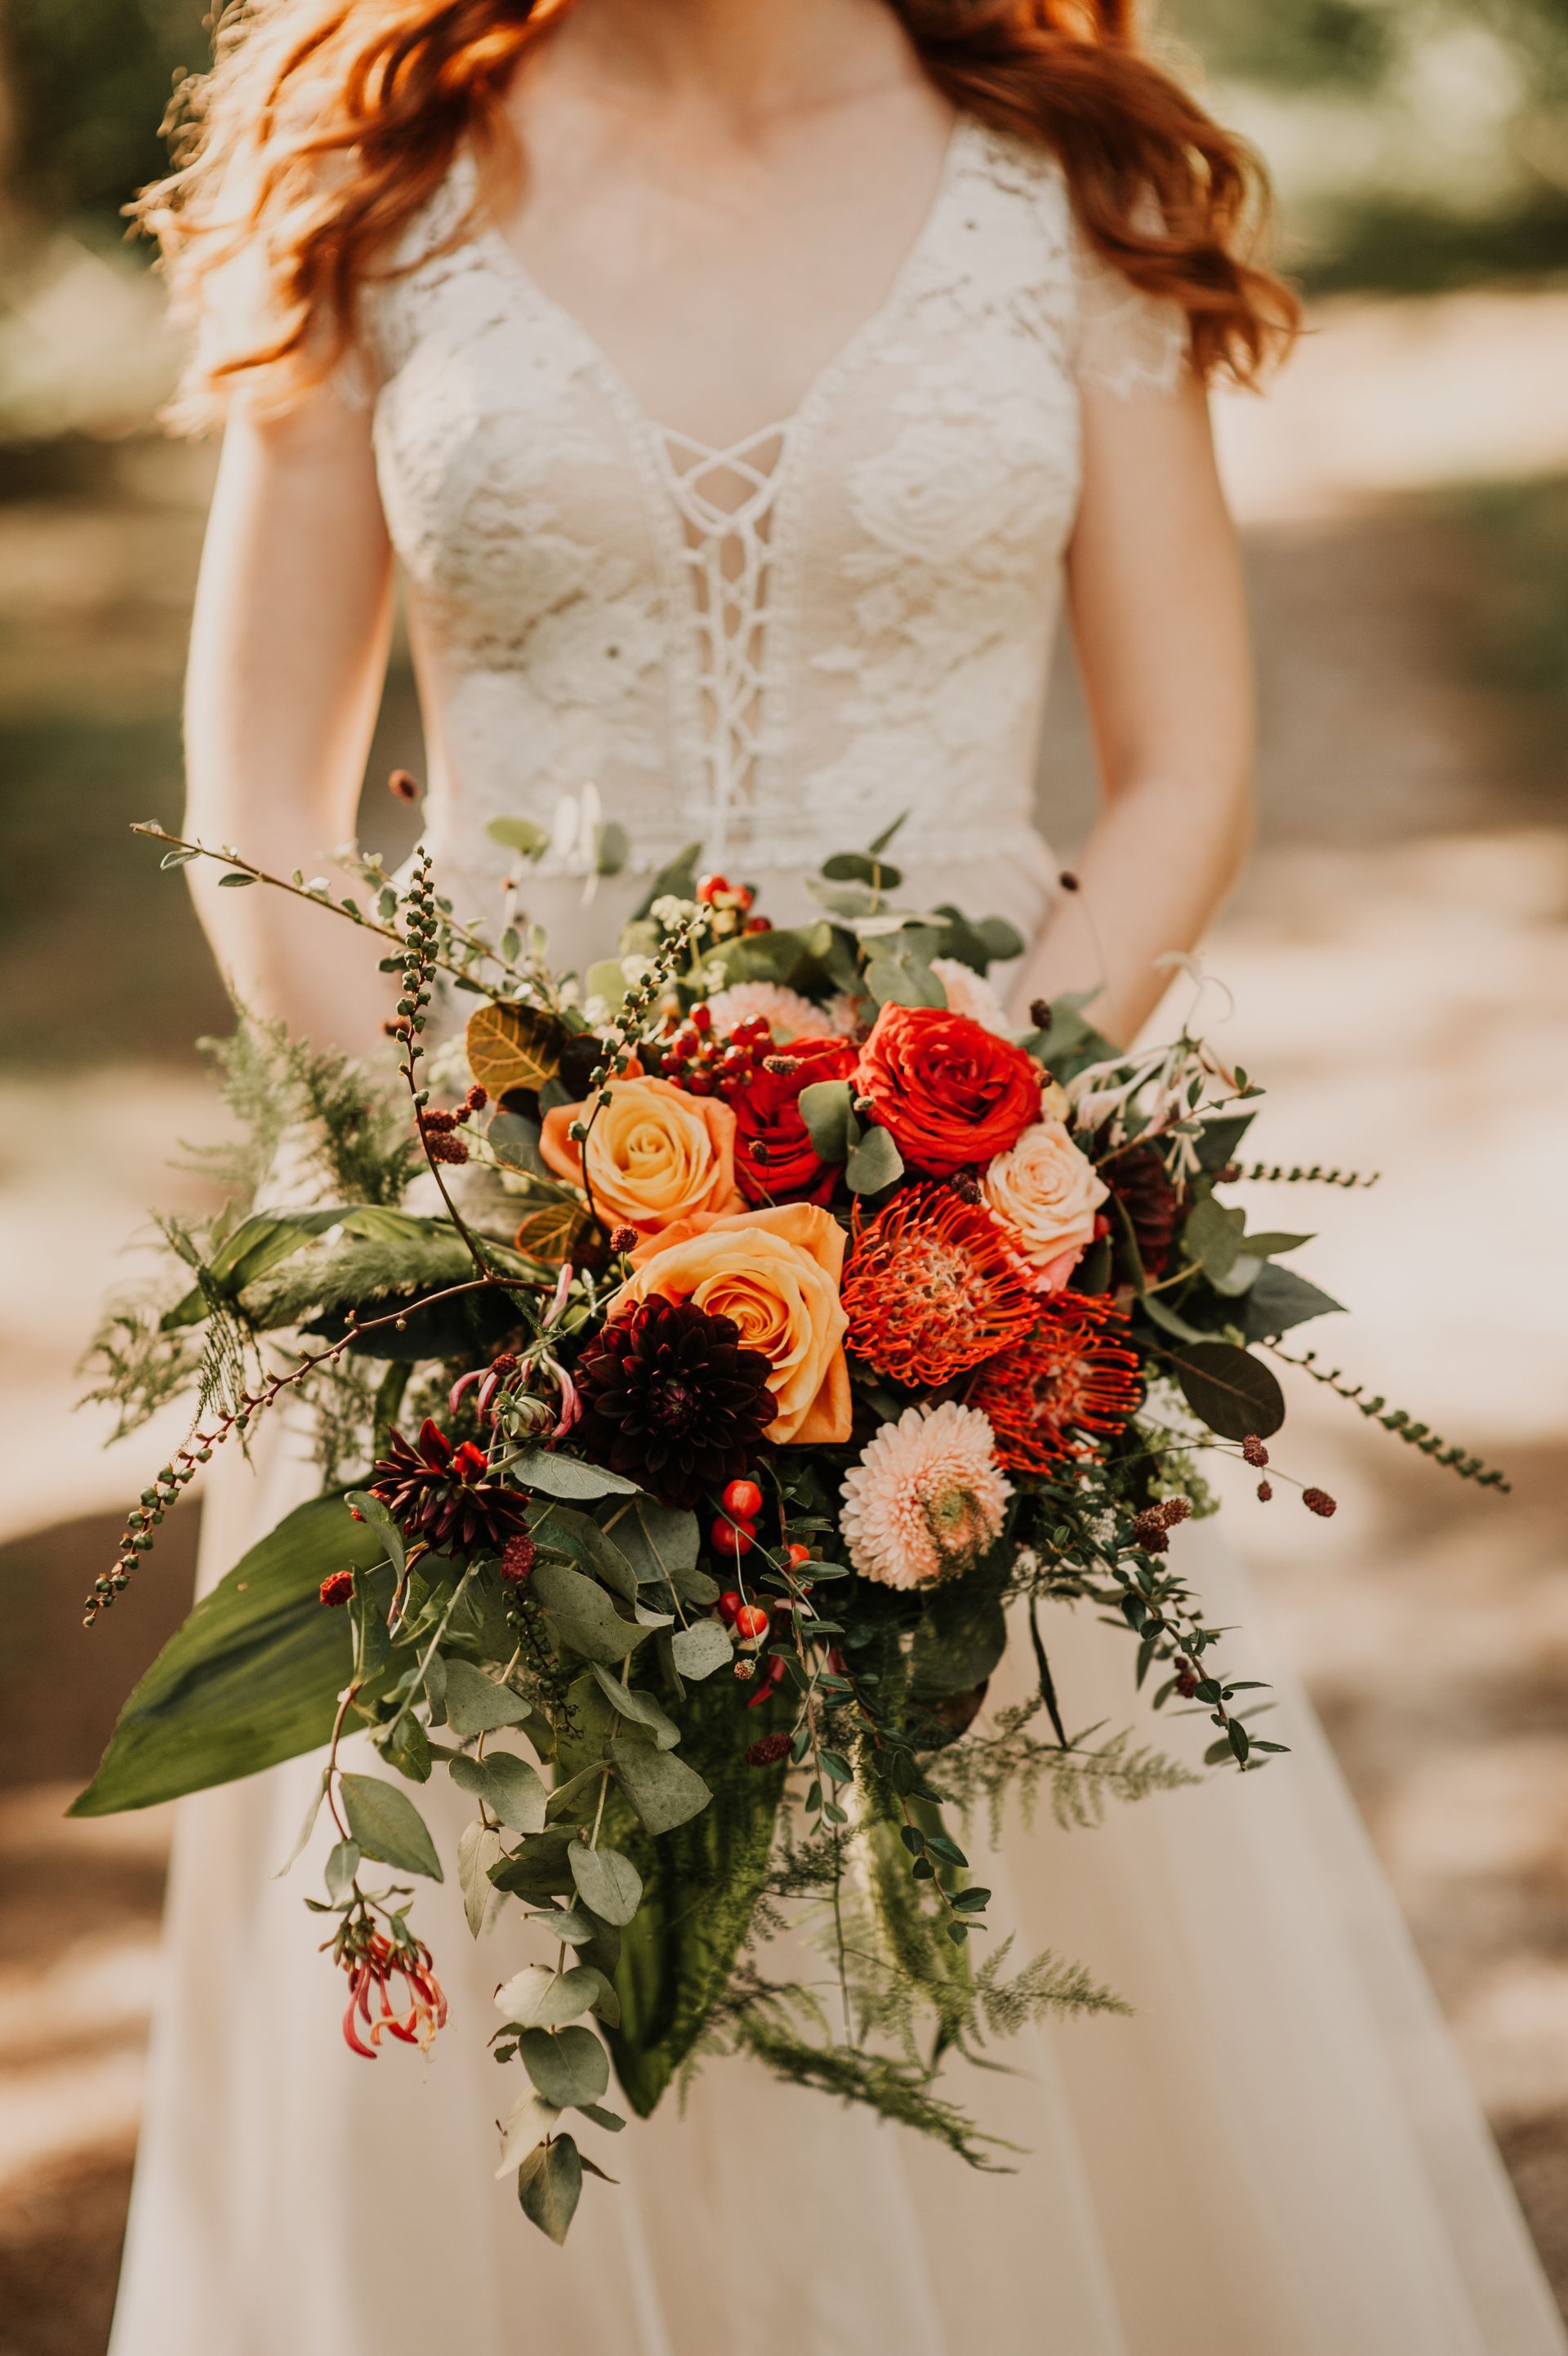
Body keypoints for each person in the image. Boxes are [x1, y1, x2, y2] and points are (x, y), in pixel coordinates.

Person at [109, 4, 1566, 2351]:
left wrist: (964, 1186)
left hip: (961, 1269)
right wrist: (497, 1216)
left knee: (983, 1948)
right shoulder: (377, 178)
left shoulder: (1074, 187)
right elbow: (261, 812)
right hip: (478, 1272)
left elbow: (1183, 769)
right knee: (519, 1956)